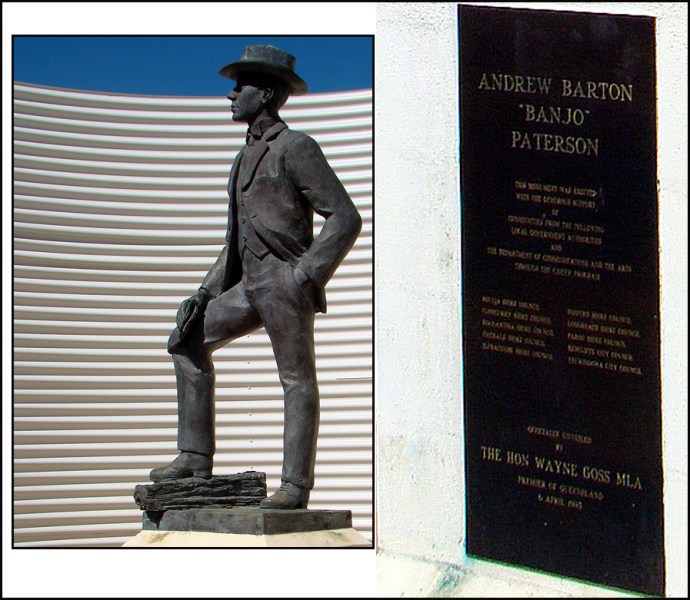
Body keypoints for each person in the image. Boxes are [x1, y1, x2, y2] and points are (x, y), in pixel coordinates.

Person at [149, 45, 362, 510]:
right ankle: (194, 455)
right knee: (185, 341)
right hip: (247, 284)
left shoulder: (296, 147)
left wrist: (304, 275)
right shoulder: (242, 158)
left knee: (296, 380)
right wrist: (204, 293)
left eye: (240, 86)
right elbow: (234, 241)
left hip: (284, 281)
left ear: (265, 93)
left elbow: (345, 217)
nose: (231, 94)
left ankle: (295, 486)